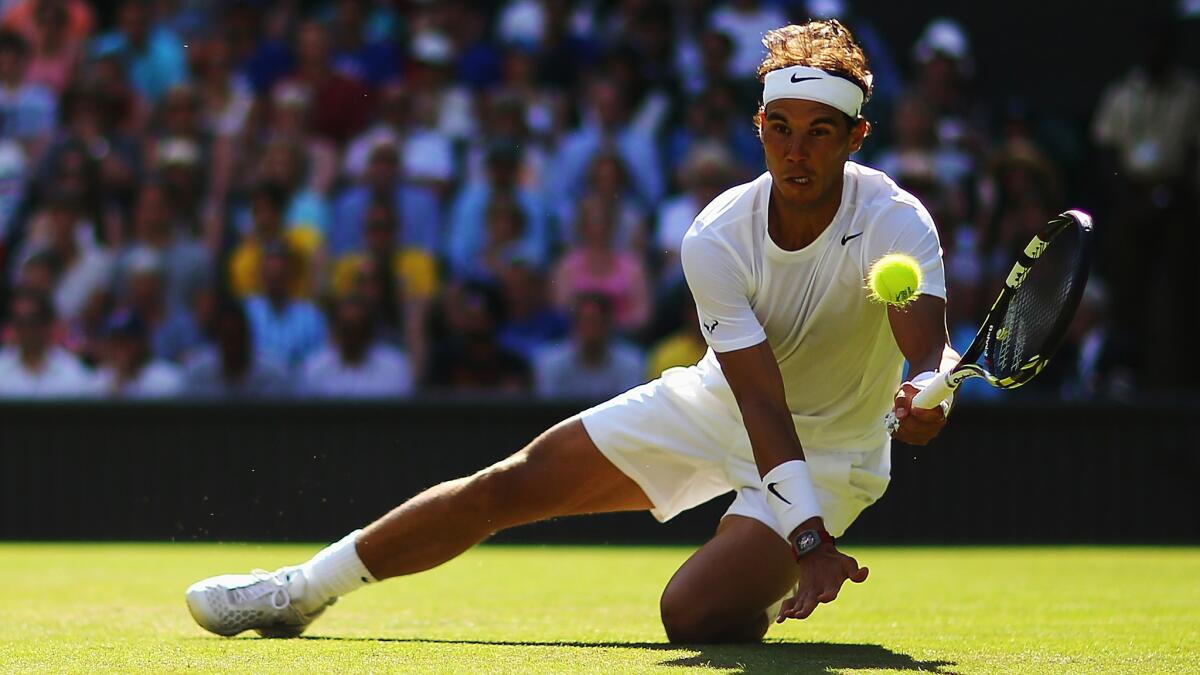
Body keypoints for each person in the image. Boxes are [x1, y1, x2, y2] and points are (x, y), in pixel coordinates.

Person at [185, 20, 955, 644]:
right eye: (781, 127)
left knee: (692, 617)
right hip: (723, 404)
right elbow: (758, 401)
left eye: (822, 132)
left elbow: (925, 348)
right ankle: (297, 591)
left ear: (857, 138)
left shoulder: (896, 222)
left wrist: (928, 394)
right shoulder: (717, 236)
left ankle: (757, 569)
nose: (797, 150)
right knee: (507, 483)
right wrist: (809, 542)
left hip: (833, 452)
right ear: (758, 126)